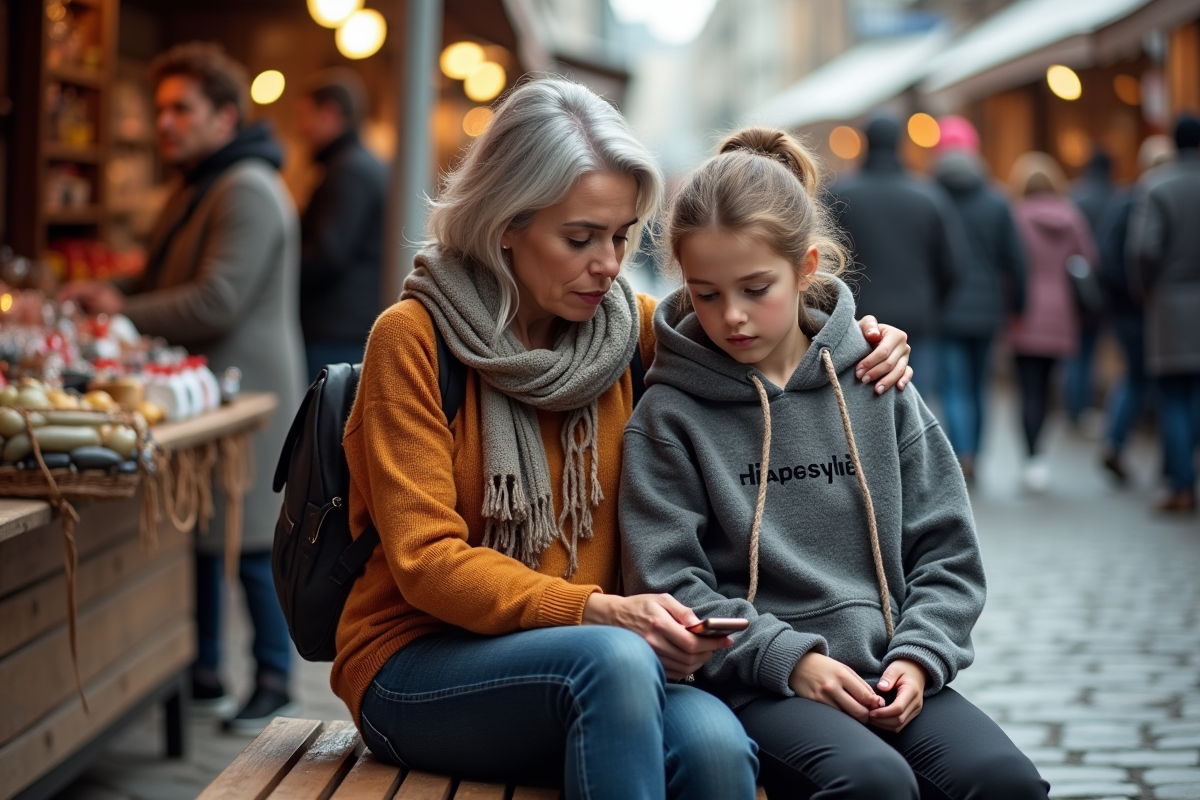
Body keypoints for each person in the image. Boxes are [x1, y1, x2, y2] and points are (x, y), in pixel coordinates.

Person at [332, 79, 915, 799]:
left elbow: (768, 320)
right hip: (421, 663)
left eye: (620, 235)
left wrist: (860, 342)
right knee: (608, 663)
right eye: (579, 239)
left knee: (715, 748)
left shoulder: (634, 332)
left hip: (622, 661)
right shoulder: (413, 339)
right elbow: (425, 562)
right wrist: (596, 611)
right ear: (504, 221)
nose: (607, 264)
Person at [619, 127, 1047, 800]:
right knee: (872, 783)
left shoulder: (878, 380)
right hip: (761, 683)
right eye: (705, 293)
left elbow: (947, 553)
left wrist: (920, 656)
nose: (731, 316)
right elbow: (671, 582)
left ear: (807, 267)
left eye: (756, 288)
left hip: (888, 668)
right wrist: (791, 663)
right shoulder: (668, 415)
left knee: (1004, 783)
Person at [59, 43, 306, 733]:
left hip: (248, 397)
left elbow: (216, 300)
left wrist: (119, 309)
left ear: (224, 117)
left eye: (181, 109)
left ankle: (275, 680)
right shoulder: (204, 182)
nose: (166, 122)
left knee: (252, 543)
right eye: (160, 108)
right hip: (210, 393)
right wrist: (118, 290)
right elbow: (170, 278)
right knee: (202, 534)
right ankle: (202, 671)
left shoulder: (247, 186)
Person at [831, 114, 967, 398]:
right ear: (899, 143)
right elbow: (953, 265)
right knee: (915, 406)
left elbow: (826, 263)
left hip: (856, 322)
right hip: (917, 319)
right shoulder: (929, 195)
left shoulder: (839, 194)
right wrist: (930, 303)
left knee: (858, 409)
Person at [934, 117, 1026, 481]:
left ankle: (963, 452)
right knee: (979, 386)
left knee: (954, 386)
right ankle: (977, 454)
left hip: (946, 307)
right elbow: (1016, 260)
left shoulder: (933, 196)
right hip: (988, 309)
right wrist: (1019, 305)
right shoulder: (997, 200)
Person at [1007, 152, 1097, 493]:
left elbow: (1010, 265)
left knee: (1027, 389)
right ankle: (1040, 456)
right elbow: (1089, 261)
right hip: (1061, 314)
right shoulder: (1073, 217)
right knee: (1047, 389)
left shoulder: (1016, 216)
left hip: (1025, 313)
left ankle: (1032, 460)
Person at [1127, 116, 1200, 513]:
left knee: (1174, 397)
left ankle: (1182, 486)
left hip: (1170, 306)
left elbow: (1143, 250)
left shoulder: (1157, 187)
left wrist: (1147, 289)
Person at [296, 68, 386, 380]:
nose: (301, 127)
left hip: (335, 332)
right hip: (348, 326)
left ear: (330, 113)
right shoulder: (358, 164)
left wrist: (280, 276)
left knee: (327, 425)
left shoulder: (348, 170)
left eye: (307, 115)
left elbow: (328, 253)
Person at [1097, 136, 1174, 483]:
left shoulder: (1127, 200)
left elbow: (1107, 254)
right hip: (1149, 309)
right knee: (1162, 383)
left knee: (1139, 377)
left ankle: (1117, 442)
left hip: (1135, 309)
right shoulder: (1138, 200)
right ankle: (1172, 464)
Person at [1064, 149, 1117, 427]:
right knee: (1091, 350)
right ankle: (1083, 407)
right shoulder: (1116, 196)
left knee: (1076, 351)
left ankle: (1073, 406)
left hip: (1072, 287)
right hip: (1104, 288)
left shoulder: (1075, 196)